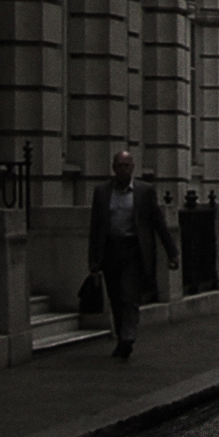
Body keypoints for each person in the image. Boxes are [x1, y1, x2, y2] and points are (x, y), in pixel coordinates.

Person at [88, 151, 179, 360]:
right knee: (115, 298)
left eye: (127, 165)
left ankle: (128, 336)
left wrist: (172, 251)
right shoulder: (102, 192)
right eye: (120, 165)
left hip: (133, 250)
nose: (123, 169)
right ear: (113, 168)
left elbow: (159, 222)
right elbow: (95, 227)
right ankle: (122, 338)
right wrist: (93, 260)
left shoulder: (144, 191)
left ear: (133, 168)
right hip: (111, 250)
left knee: (130, 296)